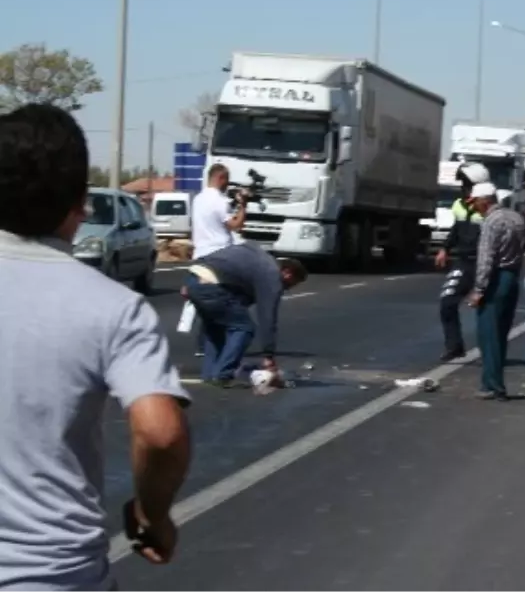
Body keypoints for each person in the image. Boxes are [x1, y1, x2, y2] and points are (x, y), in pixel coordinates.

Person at [0, 104, 192, 589]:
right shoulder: (114, 308)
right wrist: (153, 514)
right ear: (80, 206)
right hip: (52, 574)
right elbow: (160, 433)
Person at [184, 242, 308, 386]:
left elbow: (237, 292)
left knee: (216, 329)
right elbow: (268, 317)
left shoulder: (257, 255)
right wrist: (268, 355)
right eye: (292, 283)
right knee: (243, 328)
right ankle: (223, 374)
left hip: (195, 278)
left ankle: (210, 374)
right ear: (287, 273)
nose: (288, 289)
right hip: (212, 286)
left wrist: (190, 284)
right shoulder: (272, 275)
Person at [467, 181, 525, 400]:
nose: (474, 207)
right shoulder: (516, 218)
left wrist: (479, 289)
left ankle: (494, 385)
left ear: (485, 201)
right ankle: (490, 382)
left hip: (496, 279)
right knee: (500, 334)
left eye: (475, 202)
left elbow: (486, 258)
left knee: (488, 335)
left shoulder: (491, 222)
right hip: (511, 278)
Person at [189, 163, 247, 355]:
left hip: (200, 255)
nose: (227, 185)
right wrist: (243, 205)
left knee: (205, 302)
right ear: (220, 178)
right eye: (227, 180)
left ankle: (203, 344)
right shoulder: (220, 201)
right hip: (220, 257)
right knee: (227, 298)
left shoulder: (198, 199)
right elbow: (236, 225)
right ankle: (222, 341)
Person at [436, 162, 490, 362]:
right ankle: (454, 346)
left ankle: (490, 349)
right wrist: (445, 249)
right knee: (447, 301)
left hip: (484, 263)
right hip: (464, 261)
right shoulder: (459, 204)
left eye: (466, 184)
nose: (462, 188)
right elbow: (456, 229)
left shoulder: (487, 206)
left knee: (486, 308)